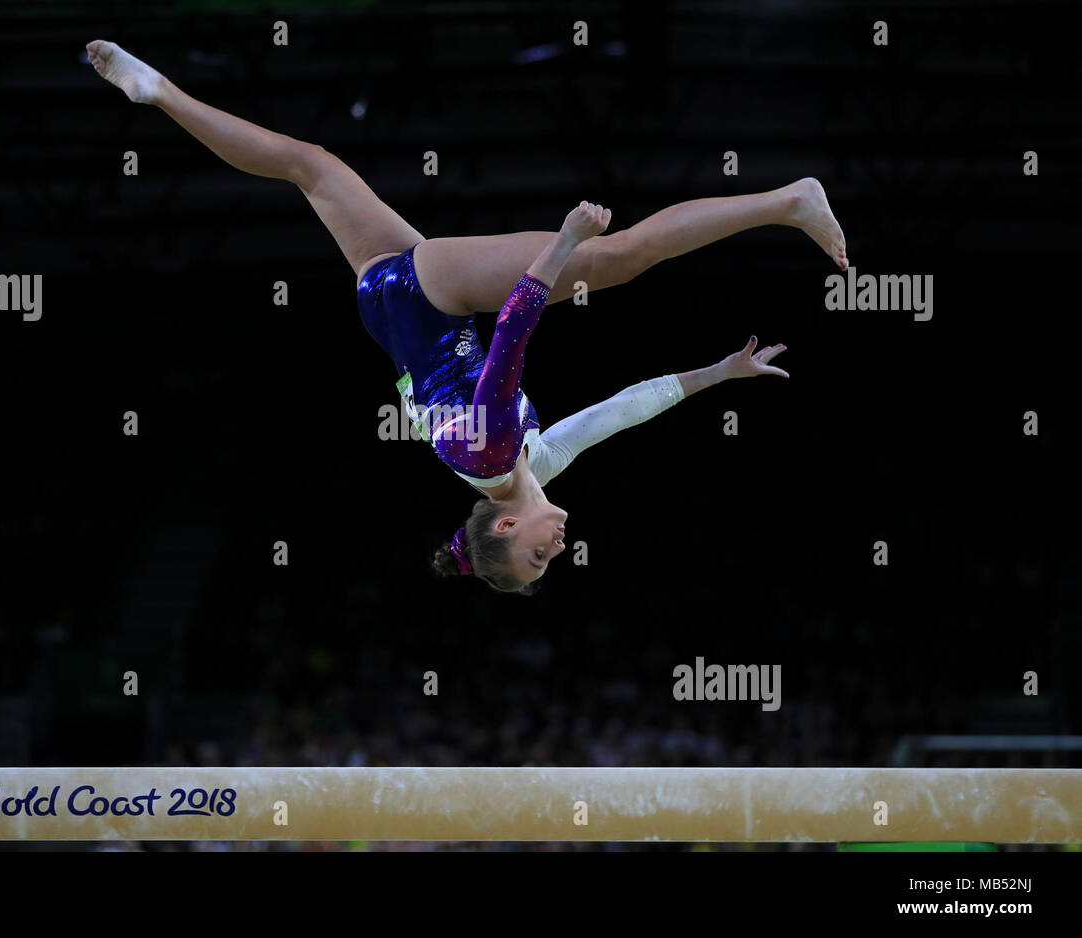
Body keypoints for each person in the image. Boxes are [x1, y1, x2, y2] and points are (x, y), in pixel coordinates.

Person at [86, 40, 845, 593]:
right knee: (306, 164)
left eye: (540, 557)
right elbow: (625, 408)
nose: (560, 547)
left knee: (616, 260)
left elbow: (513, 337)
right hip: (391, 305)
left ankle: (787, 200)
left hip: (430, 299)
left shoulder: (488, 459)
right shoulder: (530, 467)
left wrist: (563, 245)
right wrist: (723, 372)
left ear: (507, 529)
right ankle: (158, 91)